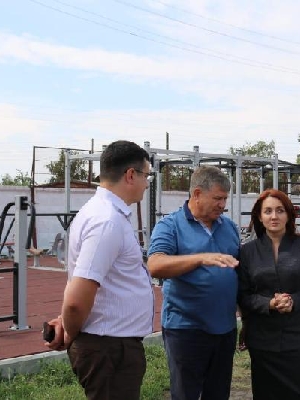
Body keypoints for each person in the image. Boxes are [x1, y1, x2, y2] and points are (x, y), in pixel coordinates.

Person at [44, 140, 155, 400]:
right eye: (146, 175)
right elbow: (76, 300)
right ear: (131, 175)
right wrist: (70, 330)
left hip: (110, 344)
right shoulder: (107, 221)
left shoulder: (101, 214)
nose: (147, 183)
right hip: (108, 349)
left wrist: (67, 324)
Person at [147, 165, 240, 400]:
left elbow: (240, 274)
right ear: (197, 194)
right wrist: (200, 258)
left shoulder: (229, 227)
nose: (222, 205)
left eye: (225, 199)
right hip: (186, 329)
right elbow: (155, 264)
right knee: (186, 394)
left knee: (218, 394)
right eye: (217, 198)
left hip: (225, 329)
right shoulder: (170, 225)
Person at [238, 189, 300, 400]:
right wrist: (269, 303)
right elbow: (242, 295)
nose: (274, 216)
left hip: (299, 336)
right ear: (260, 217)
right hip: (262, 338)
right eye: (268, 211)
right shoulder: (247, 251)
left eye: (280, 210)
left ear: (288, 214)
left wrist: (293, 301)